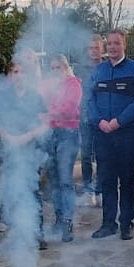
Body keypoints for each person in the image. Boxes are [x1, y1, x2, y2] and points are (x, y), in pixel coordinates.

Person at [88, 29, 134, 239]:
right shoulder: (98, 71)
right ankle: (108, 223)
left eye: (117, 43)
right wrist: (99, 121)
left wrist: (118, 122)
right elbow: (89, 99)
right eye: (110, 43)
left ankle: (126, 223)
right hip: (102, 134)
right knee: (106, 179)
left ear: (124, 45)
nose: (113, 47)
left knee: (127, 179)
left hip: (127, 134)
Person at [0, 53, 49, 251]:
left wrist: (28, 135)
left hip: (31, 150)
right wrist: (9, 136)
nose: (19, 75)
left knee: (32, 190)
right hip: (9, 149)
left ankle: (37, 234)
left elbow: (45, 123)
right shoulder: (3, 97)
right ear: (10, 75)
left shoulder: (34, 96)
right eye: (15, 72)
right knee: (12, 190)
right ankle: (18, 234)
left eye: (22, 72)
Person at [41, 53, 82, 243]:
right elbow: (40, 104)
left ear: (65, 68)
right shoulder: (47, 86)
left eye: (58, 67)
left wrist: (48, 114)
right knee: (54, 180)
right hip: (49, 134)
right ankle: (58, 217)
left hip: (67, 133)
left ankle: (67, 221)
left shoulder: (73, 84)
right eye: (52, 68)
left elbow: (70, 108)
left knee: (65, 180)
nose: (55, 71)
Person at [78, 34, 104, 206]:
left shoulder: (107, 67)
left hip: (103, 118)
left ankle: (100, 189)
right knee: (86, 155)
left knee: (102, 155)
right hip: (85, 118)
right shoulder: (80, 69)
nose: (94, 51)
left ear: (102, 49)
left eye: (97, 47)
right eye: (91, 48)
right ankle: (88, 189)